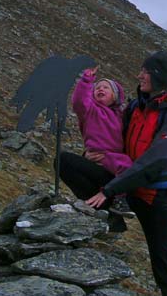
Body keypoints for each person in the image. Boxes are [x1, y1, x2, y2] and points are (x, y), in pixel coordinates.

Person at [86, 50, 167, 296]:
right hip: (128, 187)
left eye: (145, 71)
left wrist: (110, 189)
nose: (139, 75)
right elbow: (114, 138)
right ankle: (112, 217)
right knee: (67, 163)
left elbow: (157, 159)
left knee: (163, 267)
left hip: (156, 196)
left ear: (157, 75)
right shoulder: (136, 107)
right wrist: (99, 155)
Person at [57, 66, 131, 231]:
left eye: (106, 87)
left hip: (114, 161)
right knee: (62, 160)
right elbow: (79, 102)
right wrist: (86, 80)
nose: (101, 89)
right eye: (97, 87)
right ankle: (108, 214)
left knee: (126, 167)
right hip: (96, 162)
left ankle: (119, 201)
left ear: (116, 96)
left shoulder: (122, 115)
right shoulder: (90, 110)